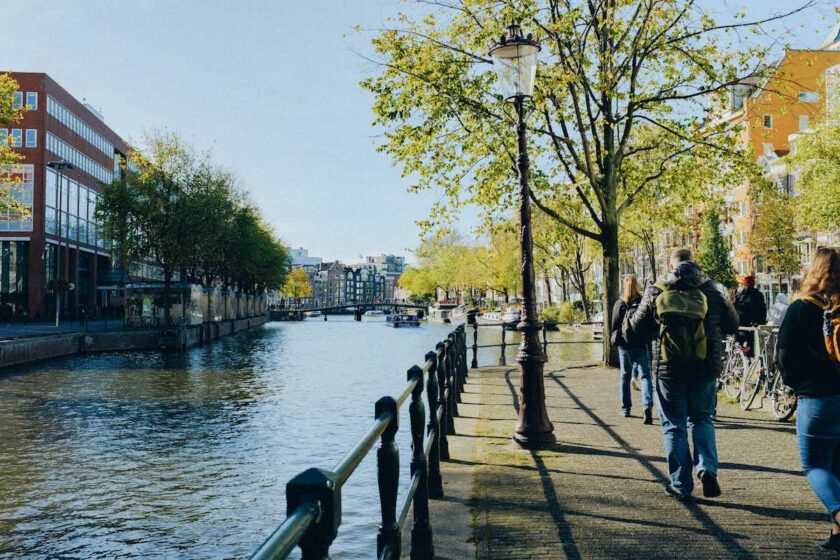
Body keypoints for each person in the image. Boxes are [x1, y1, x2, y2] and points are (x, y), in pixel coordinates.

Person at [624, 248, 739, 500]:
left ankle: (680, 485)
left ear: (671, 265)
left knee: (674, 426)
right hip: (705, 366)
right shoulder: (715, 288)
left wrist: (632, 313)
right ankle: (707, 468)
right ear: (694, 261)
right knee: (702, 419)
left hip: (668, 368)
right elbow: (733, 324)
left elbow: (635, 329)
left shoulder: (657, 289)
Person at [777, 247, 840, 552]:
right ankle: (837, 534)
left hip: (817, 397)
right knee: (837, 465)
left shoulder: (801, 308)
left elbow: (785, 356)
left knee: (814, 464)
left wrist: (795, 384)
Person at [610, 274, 654, 423]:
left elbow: (614, 326)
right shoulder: (643, 302)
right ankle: (647, 404)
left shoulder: (620, 304)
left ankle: (626, 409)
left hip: (625, 345)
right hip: (641, 344)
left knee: (625, 376)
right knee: (645, 376)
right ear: (638, 286)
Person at [734, 275, 767, 356]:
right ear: (753, 284)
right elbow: (763, 309)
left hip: (740, 324)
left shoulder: (739, 295)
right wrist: (762, 321)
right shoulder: (759, 295)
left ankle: (739, 354)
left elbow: (734, 308)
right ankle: (750, 356)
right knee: (752, 343)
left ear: (744, 285)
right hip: (753, 324)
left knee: (739, 342)